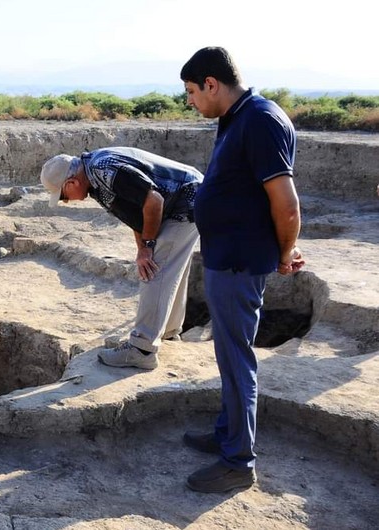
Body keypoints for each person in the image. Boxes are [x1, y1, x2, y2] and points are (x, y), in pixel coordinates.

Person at [179, 46, 305, 493]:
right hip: (225, 259)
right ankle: (227, 433)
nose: (191, 101)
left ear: (212, 84)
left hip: (237, 264)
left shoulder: (260, 120)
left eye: (193, 91)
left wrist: (285, 252)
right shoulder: (237, 119)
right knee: (229, 357)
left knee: (236, 361)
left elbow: (286, 206)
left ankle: (238, 462)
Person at [40, 147, 203, 370]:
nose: (66, 201)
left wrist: (148, 247)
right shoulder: (94, 176)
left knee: (155, 268)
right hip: (187, 199)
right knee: (167, 266)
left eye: (63, 196)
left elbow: (153, 201)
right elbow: (136, 213)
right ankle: (167, 332)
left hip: (186, 202)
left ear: (71, 183)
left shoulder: (104, 170)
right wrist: (141, 249)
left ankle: (142, 349)